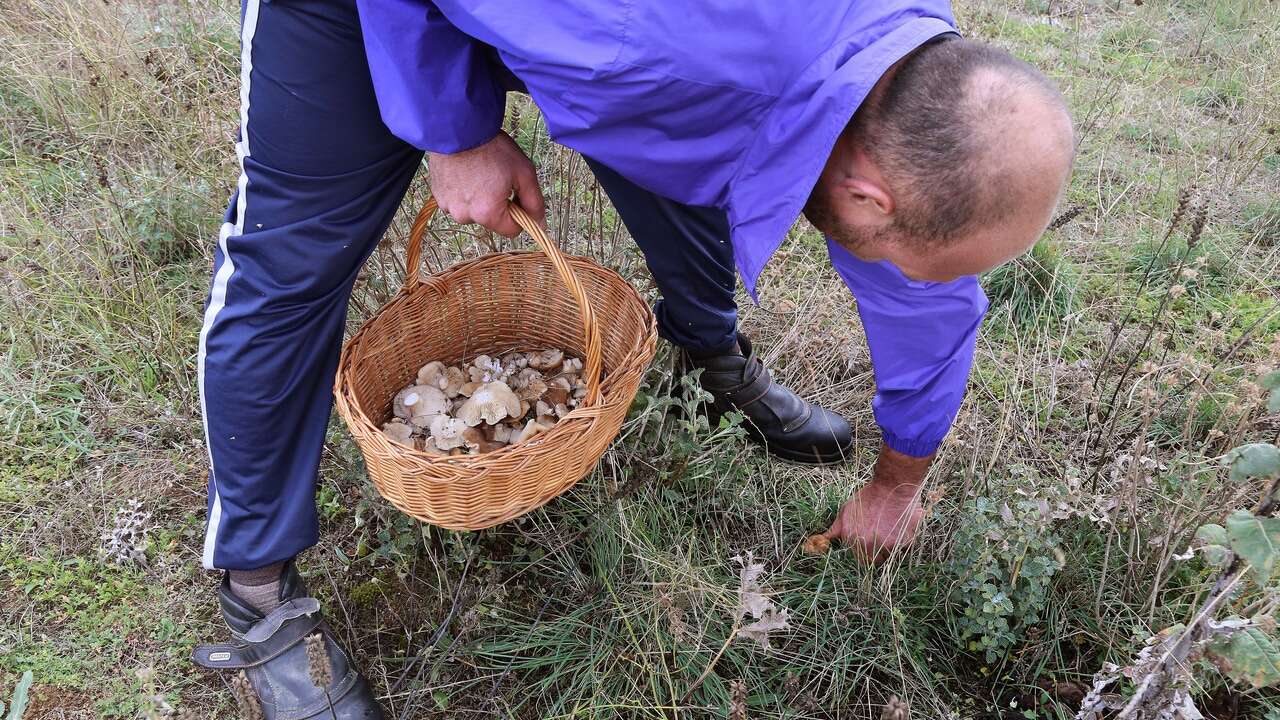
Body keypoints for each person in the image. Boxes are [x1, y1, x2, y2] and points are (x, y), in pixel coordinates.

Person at [191, 0, 1075, 716]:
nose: (905, 282)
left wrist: (897, 485)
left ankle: (709, 357)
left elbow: (928, 303)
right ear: (867, 194)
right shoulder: (648, 42)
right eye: (895, 257)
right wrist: (454, 131)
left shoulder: (899, 78)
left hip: (619, 46)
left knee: (696, 149)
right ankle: (258, 591)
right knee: (289, 262)